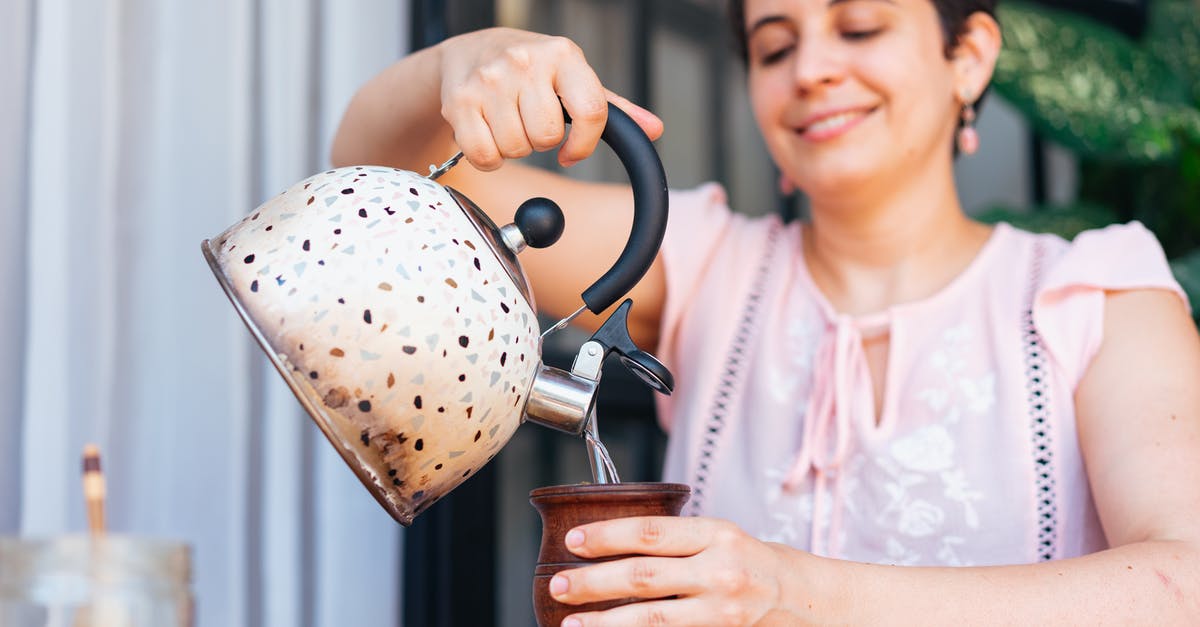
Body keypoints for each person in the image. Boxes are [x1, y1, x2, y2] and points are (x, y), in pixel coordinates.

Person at [331, 0, 1200, 623]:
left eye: (859, 27)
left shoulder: (1099, 292)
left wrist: (796, 592)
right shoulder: (706, 264)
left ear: (967, 56)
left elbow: (1184, 586)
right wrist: (462, 59)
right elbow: (377, 184)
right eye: (775, 47)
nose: (813, 70)